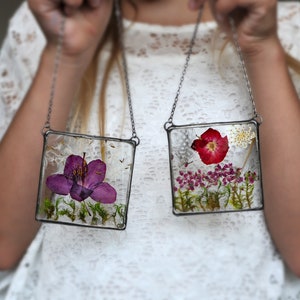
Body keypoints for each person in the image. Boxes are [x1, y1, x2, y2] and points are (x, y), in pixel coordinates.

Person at [0, 0, 300, 298]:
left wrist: (262, 48)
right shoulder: (47, 23)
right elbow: (5, 245)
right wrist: (65, 56)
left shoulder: (282, 26)